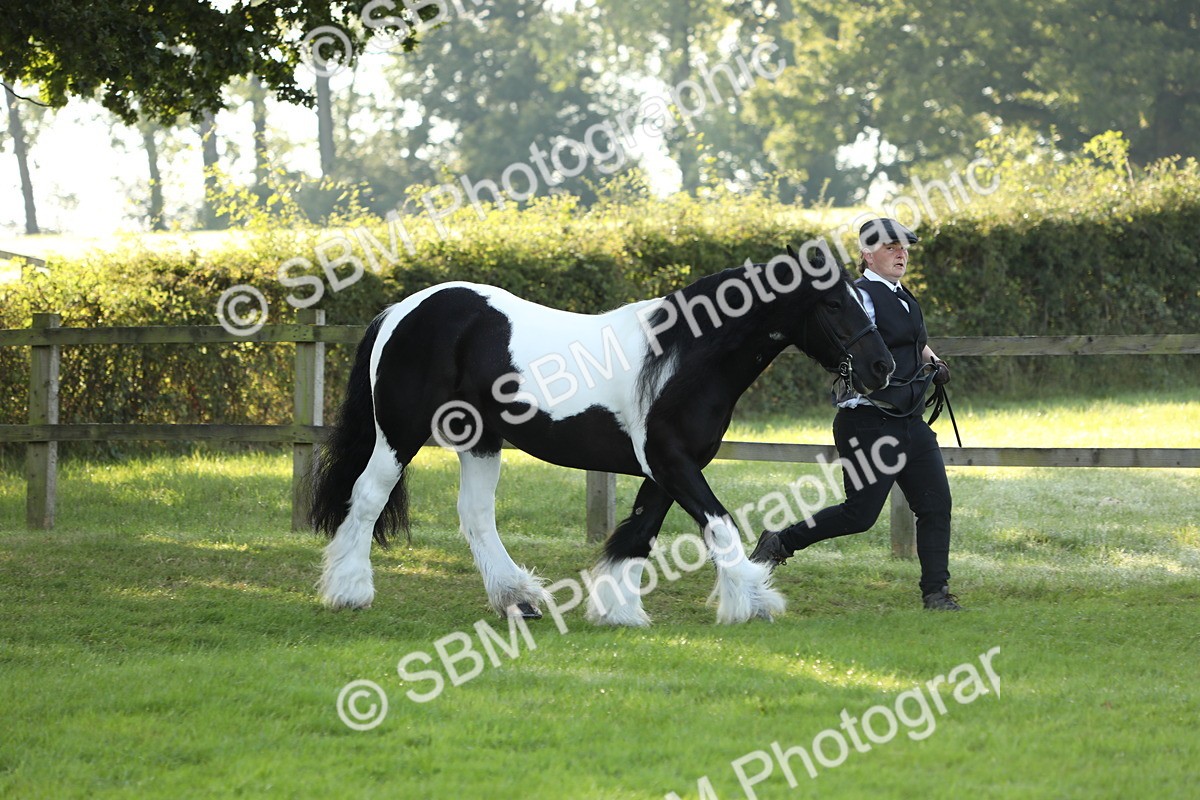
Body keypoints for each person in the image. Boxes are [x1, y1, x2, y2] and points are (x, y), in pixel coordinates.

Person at [749, 217, 962, 610]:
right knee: (860, 515)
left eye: (904, 247)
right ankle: (779, 542)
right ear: (867, 254)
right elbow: (851, 346)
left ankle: (936, 594)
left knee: (936, 505)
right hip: (869, 422)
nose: (901, 254)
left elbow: (915, 341)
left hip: (910, 421)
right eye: (890, 247)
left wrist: (934, 361)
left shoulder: (904, 296)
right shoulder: (859, 298)